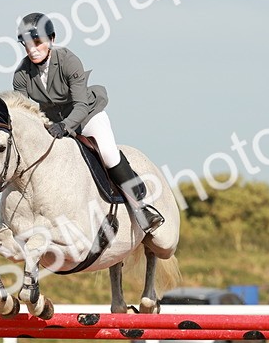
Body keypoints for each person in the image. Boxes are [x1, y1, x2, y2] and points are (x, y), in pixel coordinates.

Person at [12, 12, 164, 234]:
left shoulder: (68, 61)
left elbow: (81, 104)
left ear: (51, 40)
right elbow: (24, 112)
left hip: (86, 115)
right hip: (52, 122)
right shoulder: (21, 75)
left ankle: (141, 208)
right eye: (27, 44)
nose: (32, 48)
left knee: (109, 154)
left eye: (37, 42)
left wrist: (65, 126)